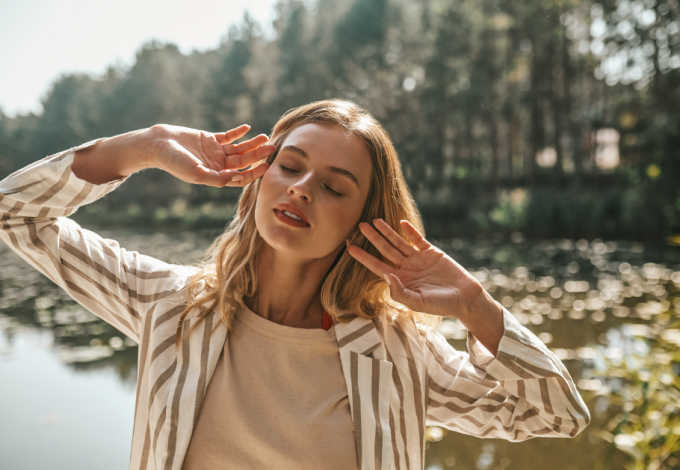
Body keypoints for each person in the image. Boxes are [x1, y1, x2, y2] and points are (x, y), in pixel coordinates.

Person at [0, 100, 590, 470]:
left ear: (368, 220)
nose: (303, 188)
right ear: (256, 179)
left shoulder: (395, 352)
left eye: (335, 187)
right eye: (289, 165)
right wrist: (146, 146)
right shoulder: (170, 305)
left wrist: (473, 305)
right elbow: (15, 213)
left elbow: (556, 417)